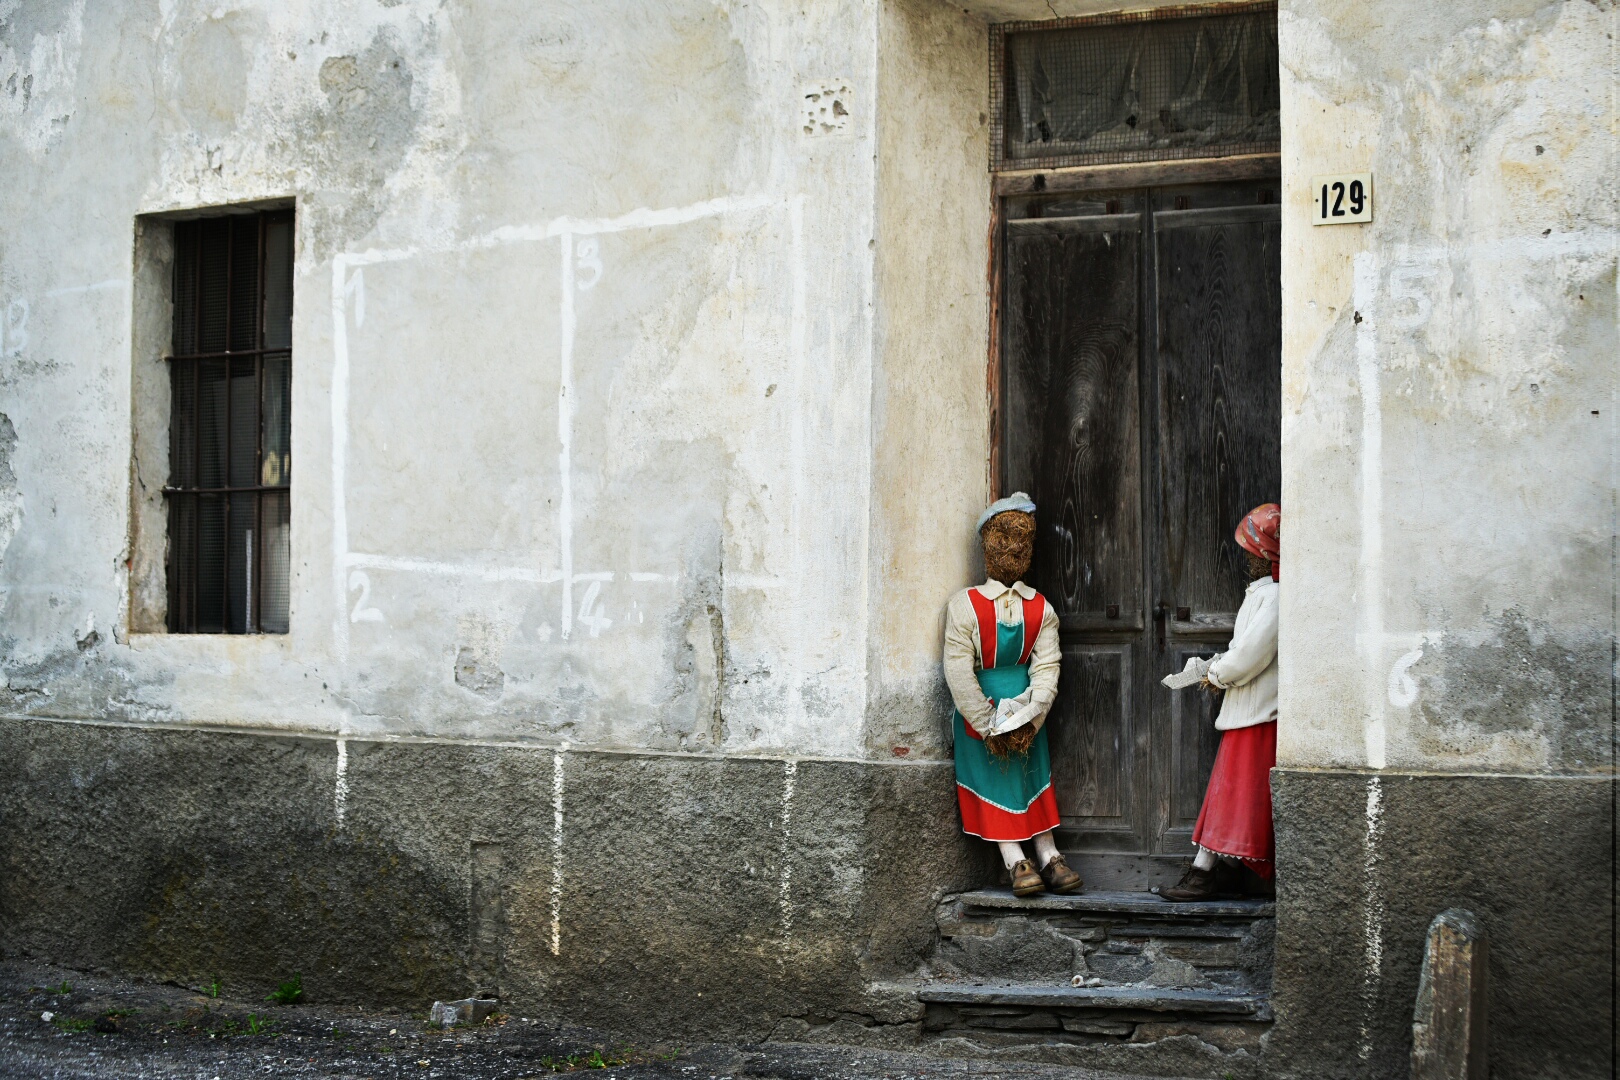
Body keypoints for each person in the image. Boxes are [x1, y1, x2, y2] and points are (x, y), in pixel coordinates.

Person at [942, 493, 1083, 897]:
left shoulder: (1041, 608)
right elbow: (957, 668)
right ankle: (1013, 859)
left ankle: (1048, 854)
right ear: (987, 543)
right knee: (995, 779)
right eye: (1003, 537)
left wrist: (1034, 712)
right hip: (981, 712)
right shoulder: (965, 606)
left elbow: (1047, 666)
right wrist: (986, 723)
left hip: (1026, 710)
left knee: (1032, 780)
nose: (1014, 546)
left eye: (1023, 538)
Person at [1161, 502, 1280, 902]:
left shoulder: (1275, 598)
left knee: (1231, 797)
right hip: (1247, 713)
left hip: (1256, 715)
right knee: (1232, 797)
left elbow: (1249, 655)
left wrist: (1215, 673)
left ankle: (1204, 875)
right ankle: (1223, 871)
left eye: (1251, 551)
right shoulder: (1262, 596)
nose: (1246, 559)